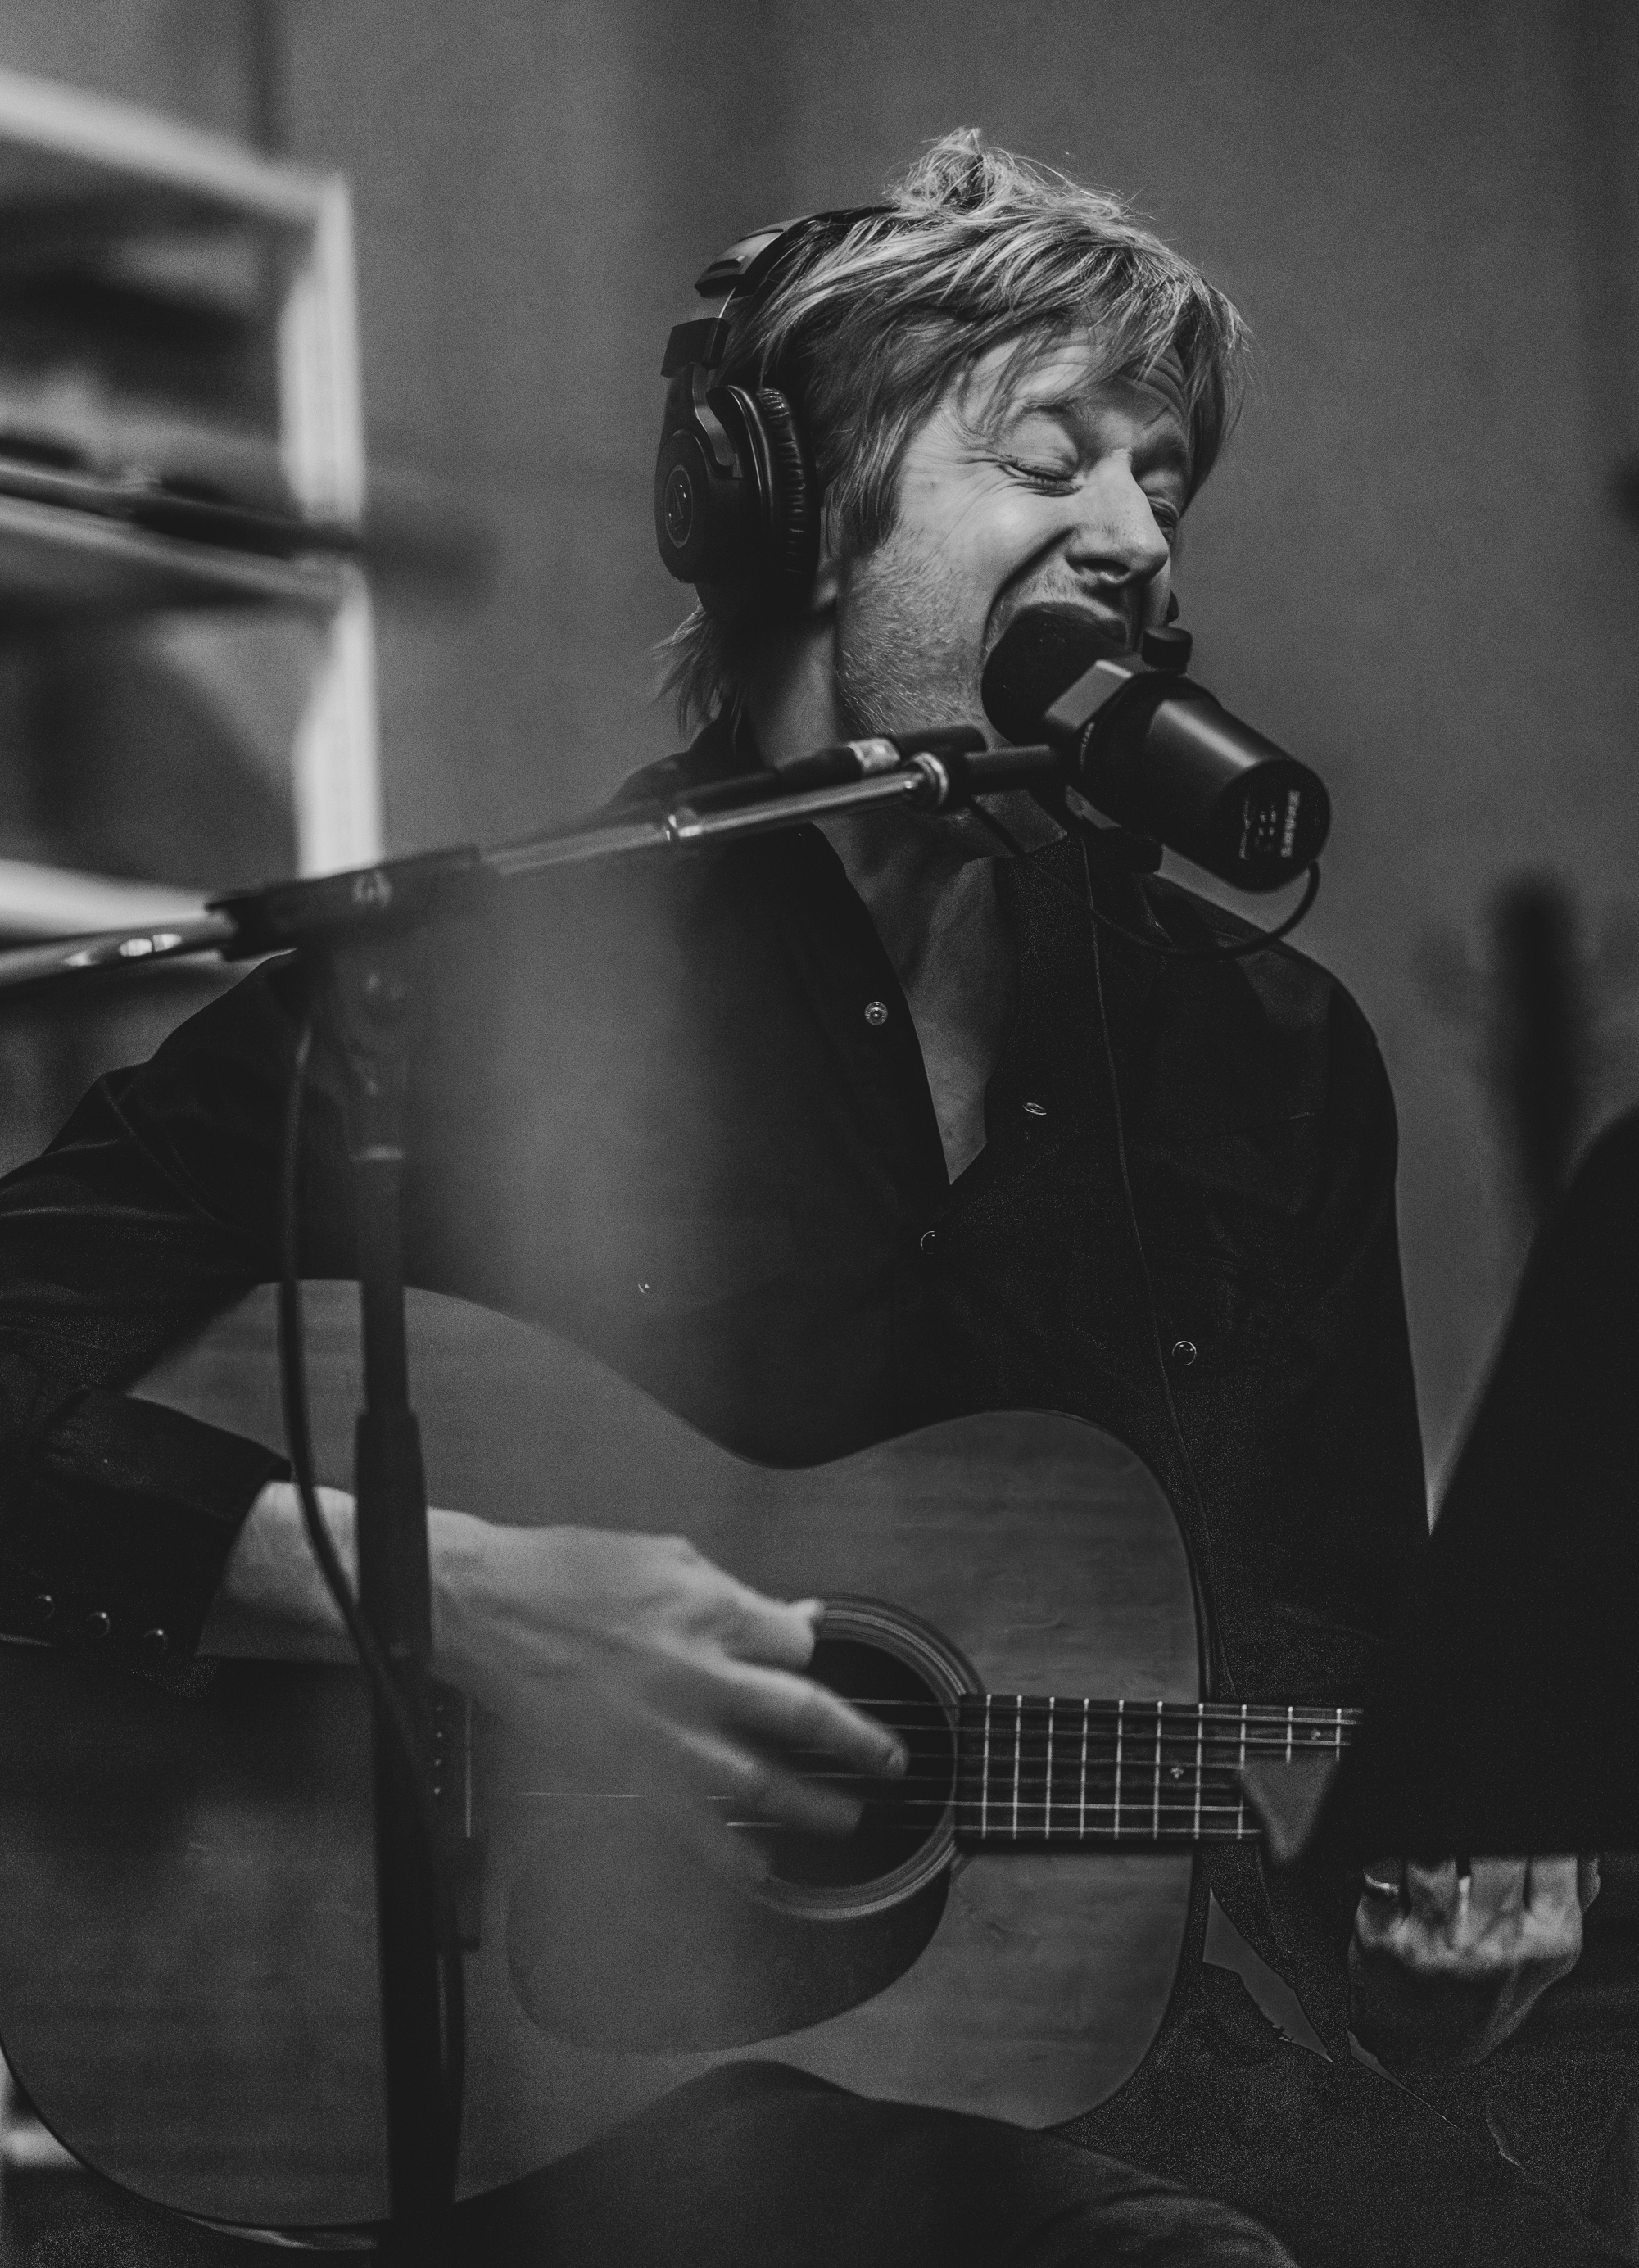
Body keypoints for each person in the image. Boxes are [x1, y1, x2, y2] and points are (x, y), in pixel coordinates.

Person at [0, 134, 1613, 2267]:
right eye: (1048, 459)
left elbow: (1327, 1695)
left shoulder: (1265, 1055)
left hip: (1115, 2076)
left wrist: (1442, 1931)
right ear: (785, 511)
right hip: (567, 2096)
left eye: (1165, 484)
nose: (1137, 537)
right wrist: (453, 1594)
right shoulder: (470, 1001)